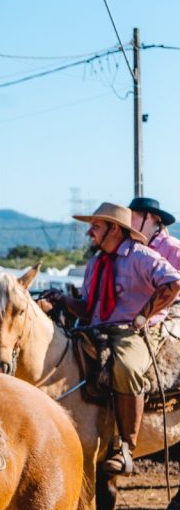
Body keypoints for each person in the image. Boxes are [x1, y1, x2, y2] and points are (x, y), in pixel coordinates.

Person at [45, 202, 180, 476]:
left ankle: (126, 448)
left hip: (134, 332)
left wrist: (143, 315)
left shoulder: (142, 256)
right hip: (97, 329)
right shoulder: (95, 264)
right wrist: (62, 299)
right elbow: (88, 307)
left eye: (95, 227)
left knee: (127, 368)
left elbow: (173, 283)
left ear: (114, 228)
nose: (89, 233)